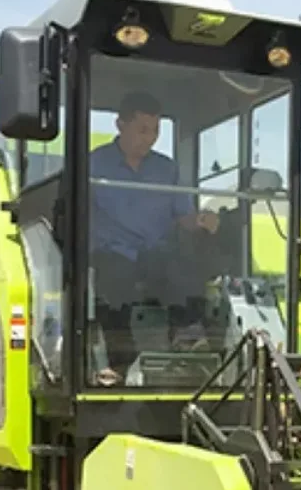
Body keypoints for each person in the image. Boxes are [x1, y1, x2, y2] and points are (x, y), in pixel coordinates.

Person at [88, 91, 220, 383]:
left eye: (156, 131)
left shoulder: (166, 168)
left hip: (155, 251)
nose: (149, 138)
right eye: (143, 130)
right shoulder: (94, 164)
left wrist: (200, 221)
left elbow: (182, 217)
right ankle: (119, 365)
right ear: (120, 125)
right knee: (112, 279)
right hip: (113, 251)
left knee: (182, 264)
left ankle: (186, 340)